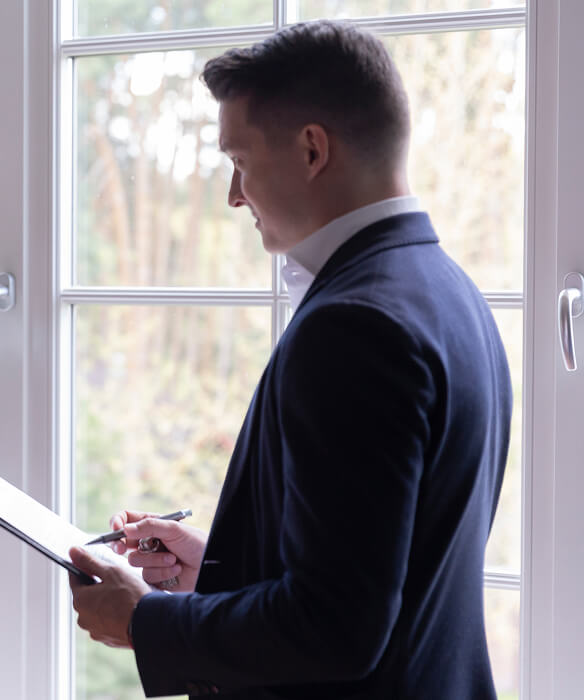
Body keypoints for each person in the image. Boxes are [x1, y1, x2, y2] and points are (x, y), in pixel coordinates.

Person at [68, 20, 511, 699]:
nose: (233, 195)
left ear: (311, 150)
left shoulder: (353, 327)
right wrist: (220, 573)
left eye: (239, 161)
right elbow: (385, 571)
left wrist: (149, 621)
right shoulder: (450, 294)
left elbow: (337, 627)